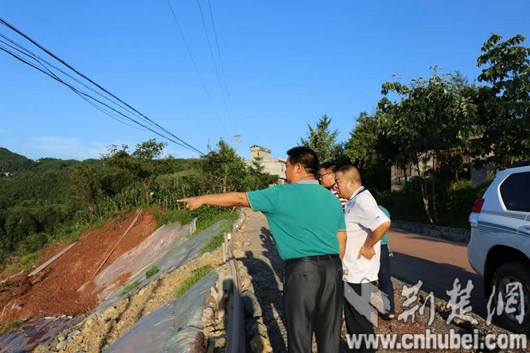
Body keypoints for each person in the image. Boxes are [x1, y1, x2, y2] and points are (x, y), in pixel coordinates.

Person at [178, 146, 347, 353]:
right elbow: (341, 236)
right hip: (333, 269)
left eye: (287, 166)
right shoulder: (331, 198)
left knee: (300, 336)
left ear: (299, 168)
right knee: (330, 336)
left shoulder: (281, 193)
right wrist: (334, 267)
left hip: (303, 271)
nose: (285, 172)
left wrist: (202, 199)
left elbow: (240, 198)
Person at [335, 165, 391, 353]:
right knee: (354, 323)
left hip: (359, 274)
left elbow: (383, 222)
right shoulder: (353, 200)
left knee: (360, 323)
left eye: (338, 181)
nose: (336, 186)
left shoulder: (362, 200)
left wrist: (368, 246)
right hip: (352, 272)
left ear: (351, 182)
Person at [377, 205, 395, 320]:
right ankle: (390, 311)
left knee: (364, 279)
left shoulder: (363, 208)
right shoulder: (384, 210)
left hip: (369, 246)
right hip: (383, 247)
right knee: (385, 279)